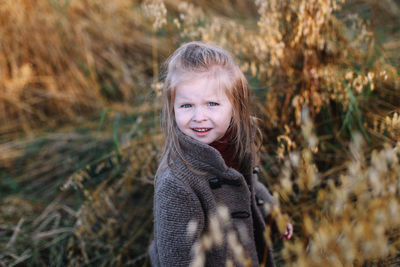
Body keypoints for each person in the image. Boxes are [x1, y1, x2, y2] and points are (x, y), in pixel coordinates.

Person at [148, 41, 292, 267]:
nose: (199, 117)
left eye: (212, 103)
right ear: (172, 107)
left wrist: (272, 212)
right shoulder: (176, 184)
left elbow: (249, 185)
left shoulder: (233, 144)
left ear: (235, 106)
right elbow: (177, 259)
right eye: (186, 106)